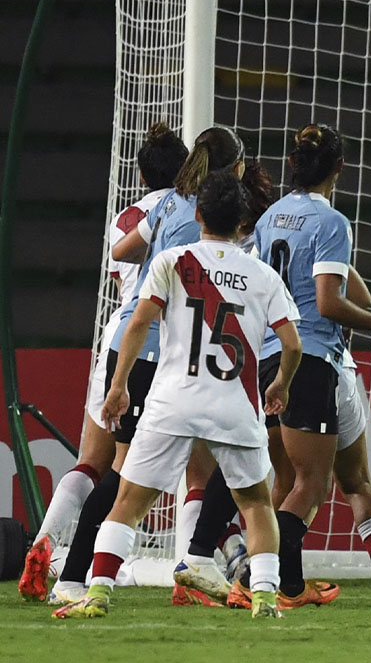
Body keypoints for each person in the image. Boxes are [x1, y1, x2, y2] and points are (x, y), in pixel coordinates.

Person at [53, 170, 303, 620]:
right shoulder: (263, 276)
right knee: (256, 504)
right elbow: (292, 344)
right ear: (245, 219)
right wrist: (280, 383)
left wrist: (118, 386)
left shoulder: (173, 261)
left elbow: (138, 323)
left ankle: (97, 594)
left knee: (129, 500)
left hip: (173, 402)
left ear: (199, 213)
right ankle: (265, 599)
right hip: (234, 406)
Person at [47, 125, 246, 606]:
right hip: (159, 352)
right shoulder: (215, 220)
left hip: (140, 348)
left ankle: (87, 573)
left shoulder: (166, 205)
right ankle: (79, 576)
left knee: (142, 470)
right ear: (235, 168)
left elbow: (120, 252)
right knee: (133, 474)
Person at [246, 123, 371, 608]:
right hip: (314, 360)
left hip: (268, 357)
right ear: (340, 169)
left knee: (292, 481)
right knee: (320, 483)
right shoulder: (332, 223)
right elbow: (329, 304)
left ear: (290, 165)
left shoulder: (271, 219)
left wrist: (336, 264)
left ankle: (300, 583)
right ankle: (256, 573)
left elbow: (344, 289)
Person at [19, 122, 187, 603]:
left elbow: (122, 281)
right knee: (151, 469)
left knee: (91, 462)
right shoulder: (196, 211)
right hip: (159, 342)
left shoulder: (129, 217)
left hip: (119, 334)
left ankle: (43, 547)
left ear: (141, 175)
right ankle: (190, 565)